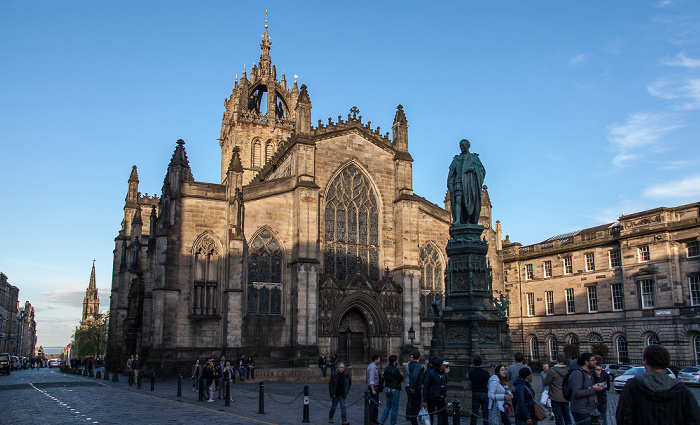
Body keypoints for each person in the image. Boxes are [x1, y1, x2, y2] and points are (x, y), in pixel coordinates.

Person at [616, 344, 700, 425]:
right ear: (667, 363)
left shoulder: (632, 386)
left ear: (646, 362)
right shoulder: (682, 389)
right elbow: (695, 419)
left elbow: (623, 418)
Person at [447, 138, 486, 225]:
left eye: (463, 145)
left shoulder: (474, 158)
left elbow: (482, 170)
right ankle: (457, 220)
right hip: (458, 182)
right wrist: (450, 183)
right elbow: (452, 172)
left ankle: (469, 221)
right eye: (460, 145)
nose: (462, 147)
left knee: (469, 202)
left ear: (468, 146)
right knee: (458, 200)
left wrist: (474, 169)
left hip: (469, 184)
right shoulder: (457, 159)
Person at [569, 352, 603, 425]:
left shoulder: (588, 373)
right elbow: (577, 393)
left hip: (589, 409)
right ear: (587, 362)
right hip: (581, 410)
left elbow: (594, 387)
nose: (595, 361)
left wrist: (598, 376)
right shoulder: (577, 374)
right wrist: (593, 389)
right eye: (593, 360)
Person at [544, 353, 571, 425]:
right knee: (567, 415)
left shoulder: (552, 371)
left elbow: (546, 383)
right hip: (565, 395)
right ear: (564, 360)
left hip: (555, 396)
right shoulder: (568, 370)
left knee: (558, 416)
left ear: (556, 360)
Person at [422, 357, 449, 425]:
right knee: (430, 417)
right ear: (440, 365)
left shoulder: (443, 374)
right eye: (443, 365)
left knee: (444, 416)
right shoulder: (431, 374)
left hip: (441, 398)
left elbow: (445, 382)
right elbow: (426, 387)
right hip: (432, 398)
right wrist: (425, 400)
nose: (445, 366)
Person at [379, 354, 403, 425]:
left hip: (387, 388)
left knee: (388, 405)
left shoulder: (386, 368)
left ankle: (381, 421)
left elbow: (384, 378)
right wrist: (401, 375)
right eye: (397, 360)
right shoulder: (395, 369)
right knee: (394, 407)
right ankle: (392, 423)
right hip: (394, 388)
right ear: (394, 361)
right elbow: (400, 379)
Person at [468, 356, 490, 425]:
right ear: (481, 363)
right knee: (485, 411)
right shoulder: (486, 372)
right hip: (483, 392)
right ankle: (486, 423)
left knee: (474, 411)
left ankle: (473, 423)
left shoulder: (471, 372)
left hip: (475, 392)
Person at [407, 351, 425, 425]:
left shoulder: (411, 364)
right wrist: (413, 387)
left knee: (413, 405)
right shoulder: (417, 365)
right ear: (419, 357)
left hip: (414, 387)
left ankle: (414, 421)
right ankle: (415, 422)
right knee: (416, 407)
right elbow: (414, 376)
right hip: (416, 388)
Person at [592, 356, 609, 425]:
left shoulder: (591, 373)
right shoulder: (605, 374)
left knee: (593, 417)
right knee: (603, 417)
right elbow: (608, 387)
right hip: (602, 397)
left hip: (594, 398)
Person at [367, 354, 381, 425]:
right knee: (373, 404)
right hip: (373, 387)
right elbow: (371, 380)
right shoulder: (372, 367)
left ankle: (374, 419)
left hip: (375, 387)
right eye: (379, 359)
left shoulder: (373, 367)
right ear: (375, 359)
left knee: (376, 404)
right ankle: (372, 420)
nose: (379, 360)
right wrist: (373, 389)